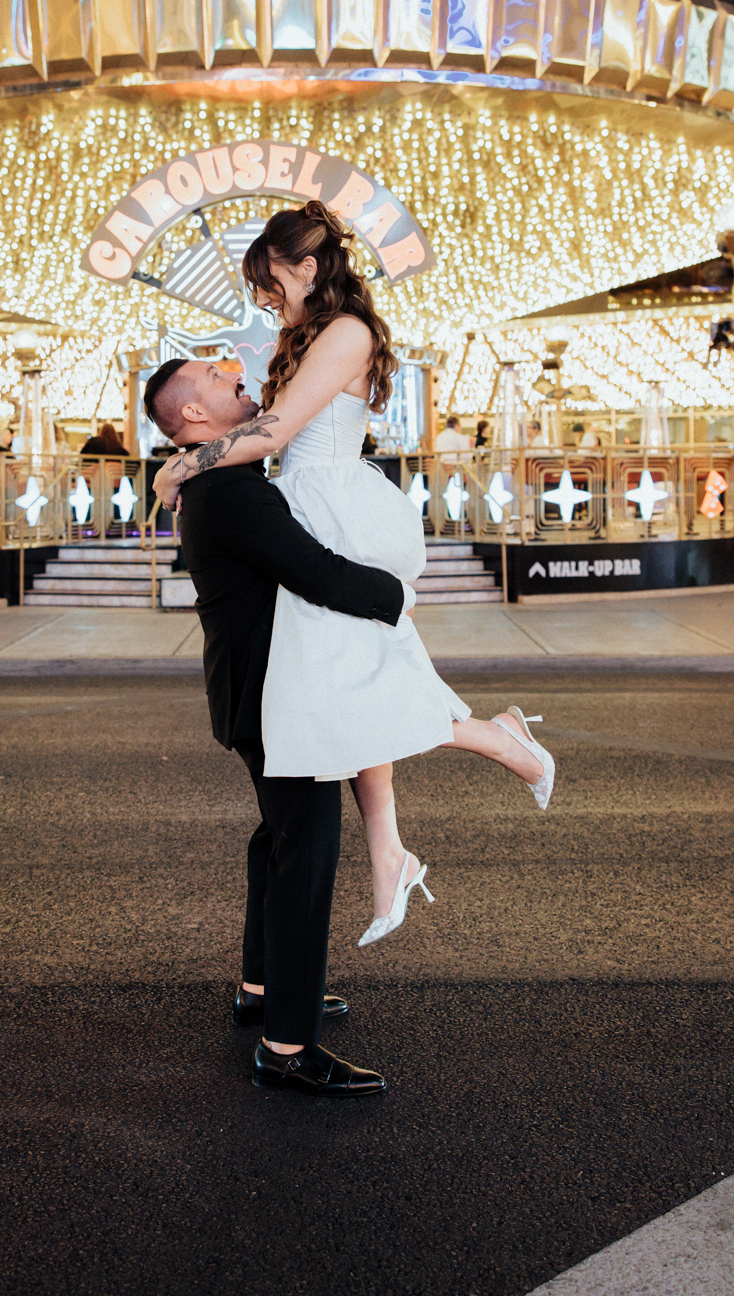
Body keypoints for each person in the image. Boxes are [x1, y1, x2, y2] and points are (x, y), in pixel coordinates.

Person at [152, 201, 554, 946]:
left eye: (269, 282)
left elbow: (271, 431)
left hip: (340, 509)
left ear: (306, 267)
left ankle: (498, 743)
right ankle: (389, 854)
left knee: (359, 685)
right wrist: (196, 459)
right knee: (351, 692)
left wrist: (184, 462)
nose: (263, 299)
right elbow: (261, 432)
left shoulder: (345, 332)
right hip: (311, 504)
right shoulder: (303, 332)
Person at [144, 354, 406, 1097]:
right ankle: (287, 1047)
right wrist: (397, 596)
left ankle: (260, 990)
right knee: (307, 854)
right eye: (214, 374)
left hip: (253, 691)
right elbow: (316, 572)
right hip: (275, 698)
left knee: (278, 839)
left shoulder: (215, 477)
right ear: (192, 415)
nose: (234, 370)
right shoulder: (229, 491)